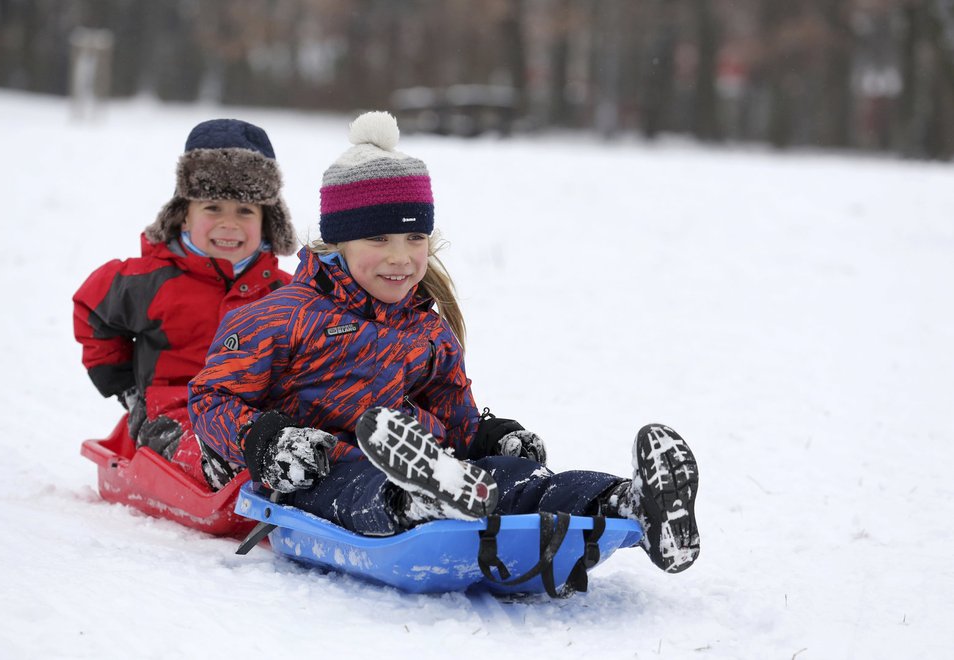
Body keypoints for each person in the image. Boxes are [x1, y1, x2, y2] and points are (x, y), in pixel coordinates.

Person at [189, 112, 700, 573]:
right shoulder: (281, 316)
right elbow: (211, 397)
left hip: (438, 465)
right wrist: (267, 442)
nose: (401, 257)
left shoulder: (426, 328)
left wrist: (488, 439)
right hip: (322, 476)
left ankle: (625, 504)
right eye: (379, 240)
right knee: (359, 488)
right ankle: (419, 502)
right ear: (336, 242)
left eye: (415, 239)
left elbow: (453, 413)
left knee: (516, 479)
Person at [73, 118, 297, 484]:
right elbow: (91, 307)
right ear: (184, 215)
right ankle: (221, 470)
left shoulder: (283, 294)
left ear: (268, 222)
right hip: (172, 411)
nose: (229, 224)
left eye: (245, 211)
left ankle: (313, 473)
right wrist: (124, 384)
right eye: (212, 208)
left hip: (251, 415)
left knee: (294, 433)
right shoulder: (151, 278)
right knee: (193, 447)